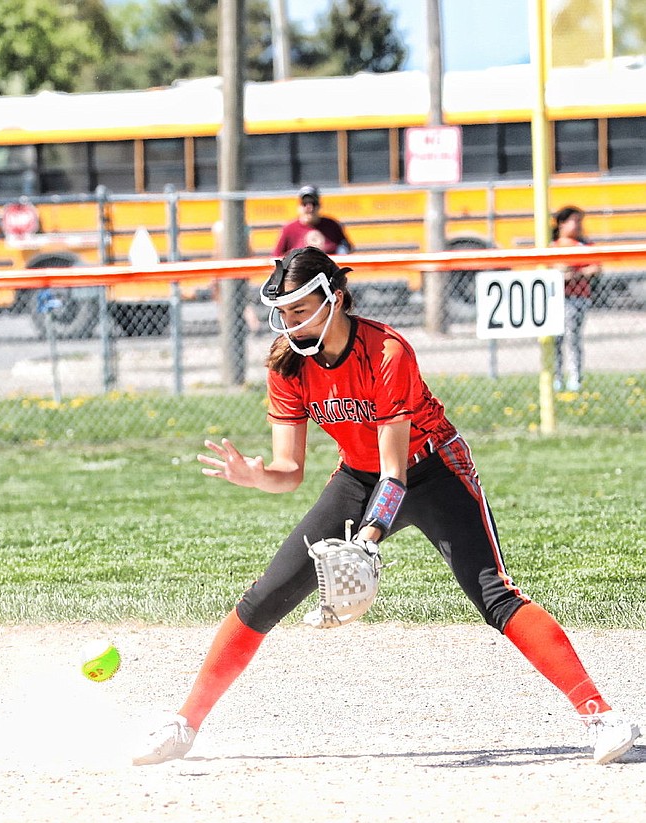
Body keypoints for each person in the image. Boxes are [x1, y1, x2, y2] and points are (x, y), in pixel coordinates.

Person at [132, 246, 640, 767]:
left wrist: (366, 542)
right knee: (266, 596)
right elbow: (290, 473)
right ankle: (184, 723)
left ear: (337, 299)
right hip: (357, 476)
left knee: (494, 595)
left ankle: (602, 716)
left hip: (433, 470)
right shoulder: (288, 366)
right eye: (283, 312)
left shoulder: (387, 351)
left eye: (301, 310)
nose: (291, 323)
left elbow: (395, 473)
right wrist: (257, 476)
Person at [551, 206, 599, 392]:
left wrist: (575, 275)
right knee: (555, 341)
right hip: (555, 299)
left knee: (573, 339)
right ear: (562, 223)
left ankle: (575, 378)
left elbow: (595, 267)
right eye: (574, 221)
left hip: (576, 297)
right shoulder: (553, 246)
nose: (578, 225)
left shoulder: (584, 246)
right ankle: (556, 377)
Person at [272, 186, 353, 257]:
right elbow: (277, 257)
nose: (309, 208)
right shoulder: (289, 229)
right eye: (305, 203)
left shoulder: (332, 225)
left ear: (319, 206)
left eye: (313, 203)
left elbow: (346, 250)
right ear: (298, 207)